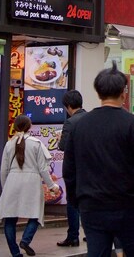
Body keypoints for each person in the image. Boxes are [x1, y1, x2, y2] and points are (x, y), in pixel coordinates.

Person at [64, 64, 134, 257]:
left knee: (97, 253)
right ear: (124, 93)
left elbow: (69, 170)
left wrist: (76, 200)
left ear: (98, 93)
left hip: (91, 207)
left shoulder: (80, 126)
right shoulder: (132, 124)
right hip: (126, 206)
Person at [0, 115, 60, 257]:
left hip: (12, 180)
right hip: (32, 182)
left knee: (10, 219)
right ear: (29, 127)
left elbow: (3, 169)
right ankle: (25, 240)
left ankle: (15, 252)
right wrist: (52, 185)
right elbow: (43, 169)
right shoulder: (36, 143)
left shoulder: (9, 144)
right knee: (35, 215)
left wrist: (5, 188)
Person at [57, 90, 87, 247]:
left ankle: (73, 236)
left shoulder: (70, 122)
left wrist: (58, 140)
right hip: (90, 169)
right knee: (88, 201)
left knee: (73, 203)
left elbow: (63, 146)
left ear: (68, 106)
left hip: (74, 170)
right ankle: (90, 233)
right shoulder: (90, 118)